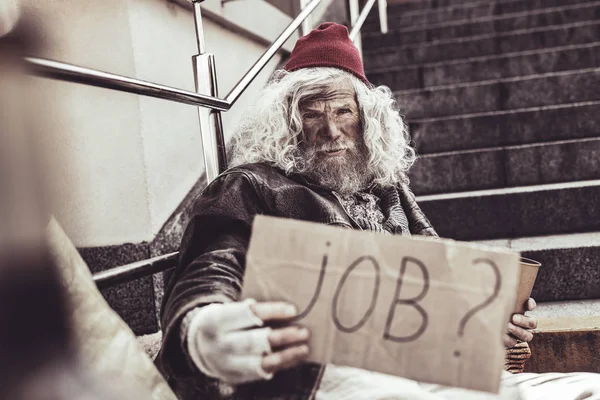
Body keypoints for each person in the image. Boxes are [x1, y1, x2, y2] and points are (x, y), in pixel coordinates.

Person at [157, 22, 599, 400]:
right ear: (289, 122)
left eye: (342, 111)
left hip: (422, 372)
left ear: (366, 117)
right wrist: (201, 329)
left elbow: (431, 296)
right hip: (326, 378)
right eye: (312, 115)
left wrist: (490, 328)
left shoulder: (387, 187)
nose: (330, 131)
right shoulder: (252, 184)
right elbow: (213, 264)